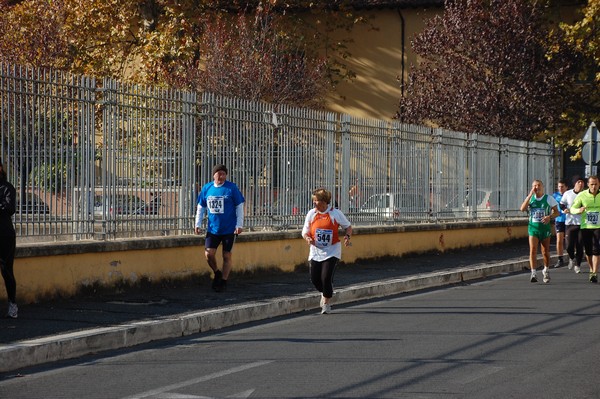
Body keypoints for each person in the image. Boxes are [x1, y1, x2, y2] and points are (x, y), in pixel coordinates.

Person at [194, 164, 245, 292]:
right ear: (214, 174)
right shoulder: (207, 188)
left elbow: (239, 206)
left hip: (229, 229)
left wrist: (239, 225)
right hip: (213, 229)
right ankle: (216, 272)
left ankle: (223, 281)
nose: (221, 176)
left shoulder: (231, 188)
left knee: (226, 256)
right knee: (209, 254)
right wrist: (197, 224)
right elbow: (201, 207)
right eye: (219, 174)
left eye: (224, 174)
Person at [302, 188, 352, 314]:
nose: (314, 203)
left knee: (326, 277)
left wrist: (347, 237)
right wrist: (307, 237)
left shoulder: (335, 213)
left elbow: (348, 227)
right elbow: (305, 231)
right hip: (315, 251)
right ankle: (325, 292)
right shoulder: (311, 214)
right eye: (313, 201)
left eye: (316, 201)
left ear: (324, 202)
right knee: (315, 279)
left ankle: (326, 303)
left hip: (332, 251)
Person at [520, 179, 559, 283]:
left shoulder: (548, 198)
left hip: (545, 229)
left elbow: (557, 213)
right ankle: (533, 273)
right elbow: (522, 209)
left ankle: (546, 270)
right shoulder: (531, 199)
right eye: (534, 186)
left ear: (542, 187)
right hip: (533, 229)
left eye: (538, 185)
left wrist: (549, 217)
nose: (537, 187)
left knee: (545, 251)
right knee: (532, 250)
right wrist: (529, 195)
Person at [570, 175, 600, 283]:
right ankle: (592, 268)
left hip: (598, 227)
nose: (594, 186)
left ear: (599, 184)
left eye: (596, 184)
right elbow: (572, 208)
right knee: (588, 251)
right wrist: (579, 210)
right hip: (586, 226)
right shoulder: (582, 195)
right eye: (591, 184)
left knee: (596, 249)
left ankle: (594, 273)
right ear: (588, 185)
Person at [0, 159, 18, 318]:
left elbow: (10, 208)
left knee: (6, 270)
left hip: (4, 235)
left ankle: (12, 303)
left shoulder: (7, 188)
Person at [560, 177, 589, 273]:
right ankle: (572, 258)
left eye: (582, 182)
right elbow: (562, 203)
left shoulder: (586, 194)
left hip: (582, 224)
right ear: (574, 184)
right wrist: (564, 209)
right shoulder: (568, 193)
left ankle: (578, 265)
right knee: (568, 246)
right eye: (578, 182)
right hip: (570, 223)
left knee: (580, 245)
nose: (581, 184)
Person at [552, 180, 568, 267]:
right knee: (559, 240)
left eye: (562, 187)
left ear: (566, 187)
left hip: (569, 220)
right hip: (559, 220)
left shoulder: (569, 195)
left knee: (569, 240)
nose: (560, 188)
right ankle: (560, 259)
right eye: (559, 187)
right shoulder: (555, 196)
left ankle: (573, 257)